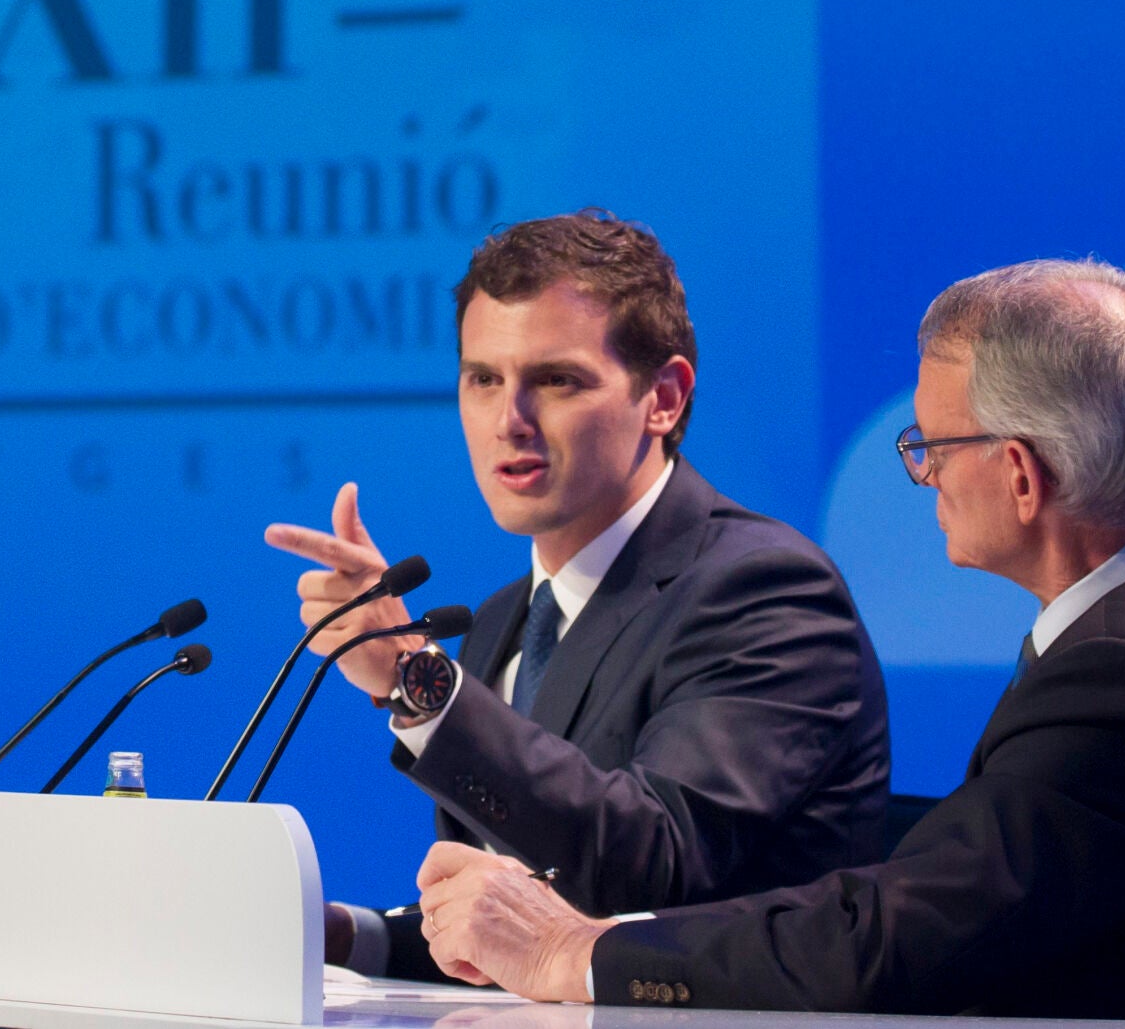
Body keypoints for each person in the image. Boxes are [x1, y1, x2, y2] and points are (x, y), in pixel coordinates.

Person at [413, 258, 1125, 1024]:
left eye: (934, 447)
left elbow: (898, 937)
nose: (925, 477)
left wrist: (576, 950)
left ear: (1021, 474)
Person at [265, 210, 889, 978]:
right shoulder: (504, 618)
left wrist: (417, 681)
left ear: (663, 397)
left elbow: (649, 872)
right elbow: (515, 933)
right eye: (482, 379)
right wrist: (341, 938)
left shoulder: (766, 591)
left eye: (555, 380)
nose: (509, 420)